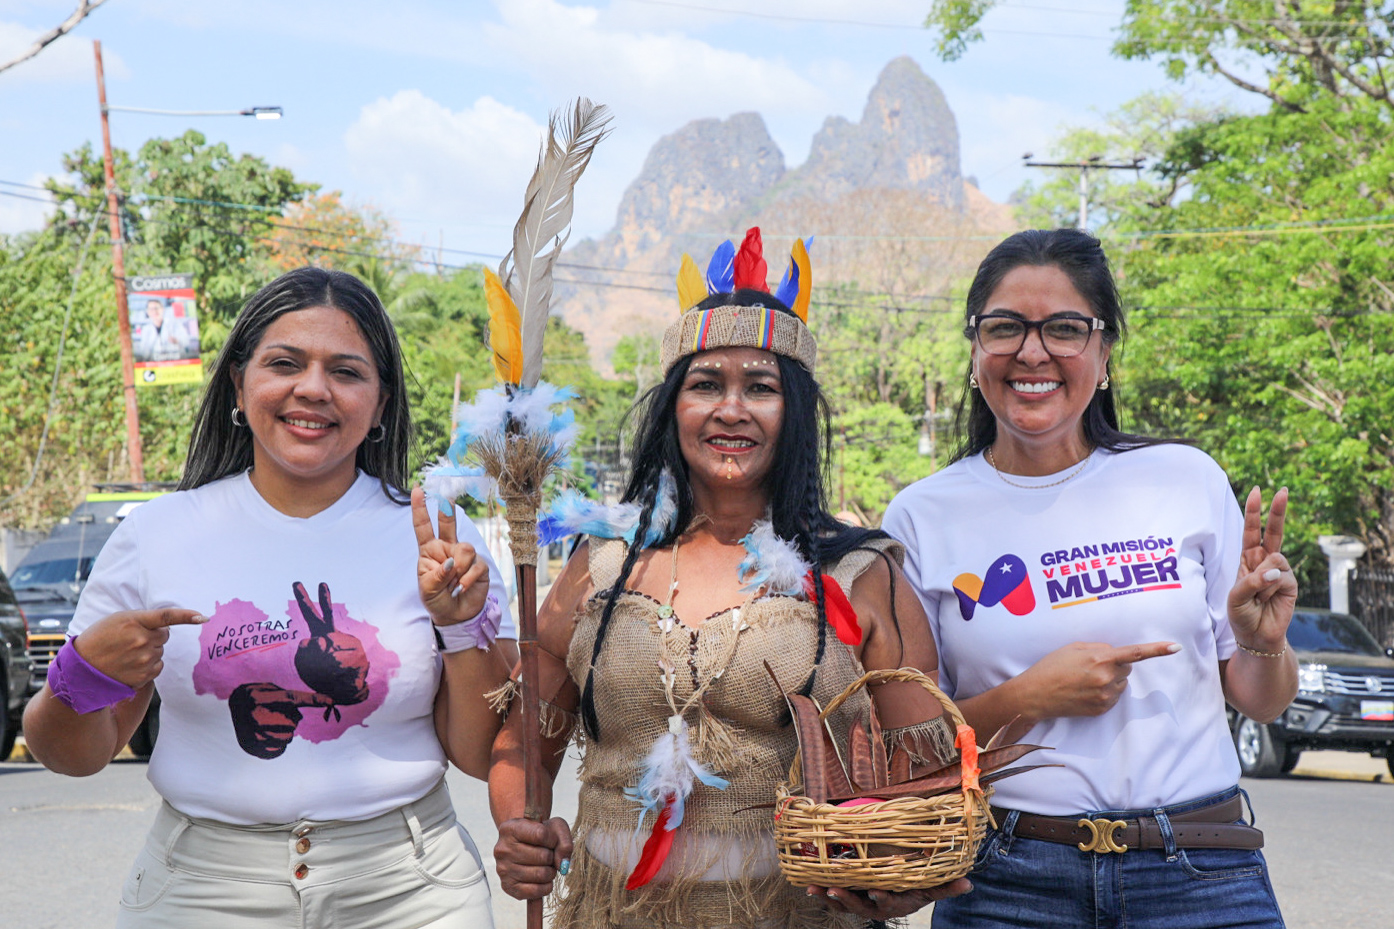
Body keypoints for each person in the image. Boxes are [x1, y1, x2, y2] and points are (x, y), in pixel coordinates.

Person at [489, 229, 971, 929]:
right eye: (706, 383)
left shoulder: (863, 575)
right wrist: (518, 828)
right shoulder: (601, 563)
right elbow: (523, 741)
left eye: (761, 387)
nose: (731, 408)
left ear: (795, 411)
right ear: (672, 409)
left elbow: (925, 793)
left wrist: (907, 879)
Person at [23, 266, 515, 929]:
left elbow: (486, 755)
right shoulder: (154, 535)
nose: (312, 388)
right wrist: (83, 671)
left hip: (411, 892)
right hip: (200, 891)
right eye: (285, 362)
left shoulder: (441, 545)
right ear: (239, 381)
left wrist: (461, 628)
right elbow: (73, 756)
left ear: (380, 400)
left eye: (345, 371)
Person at [881, 228, 1297, 929]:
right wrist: (1027, 696)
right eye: (1006, 327)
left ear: (1103, 355)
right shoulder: (921, 515)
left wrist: (1260, 642)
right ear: (976, 350)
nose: (1033, 350)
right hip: (1010, 880)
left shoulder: (1184, 477)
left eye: (1065, 328)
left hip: (1201, 870)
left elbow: (1261, 701)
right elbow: (909, 745)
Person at [134, 297, 193, 362]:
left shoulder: (174, 324)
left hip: (174, 362)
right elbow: (143, 352)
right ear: (148, 312)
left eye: (156, 308)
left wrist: (177, 341)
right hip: (154, 364)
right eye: (151, 309)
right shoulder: (146, 330)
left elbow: (186, 342)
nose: (155, 311)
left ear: (162, 309)